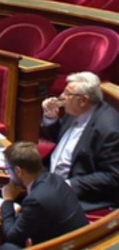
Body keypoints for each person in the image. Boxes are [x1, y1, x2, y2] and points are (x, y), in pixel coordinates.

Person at [40, 71, 119, 211]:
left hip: (79, 195)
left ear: (83, 100)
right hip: (50, 180)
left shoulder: (109, 130)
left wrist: (67, 185)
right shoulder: (77, 110)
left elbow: (112, 176)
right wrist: (51, 118)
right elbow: (61, 140)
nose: (61, 97)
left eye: (67, 93)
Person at [0, 142, 88, 249]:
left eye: (7, 170)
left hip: (68, 246)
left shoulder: (36, 200)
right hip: (82, 242)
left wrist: (8, 200)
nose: (8, 175)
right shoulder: (55, 179)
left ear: (18, 171)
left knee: (7, 248)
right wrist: (7, 211)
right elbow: (34, 217)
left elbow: (12, 236)